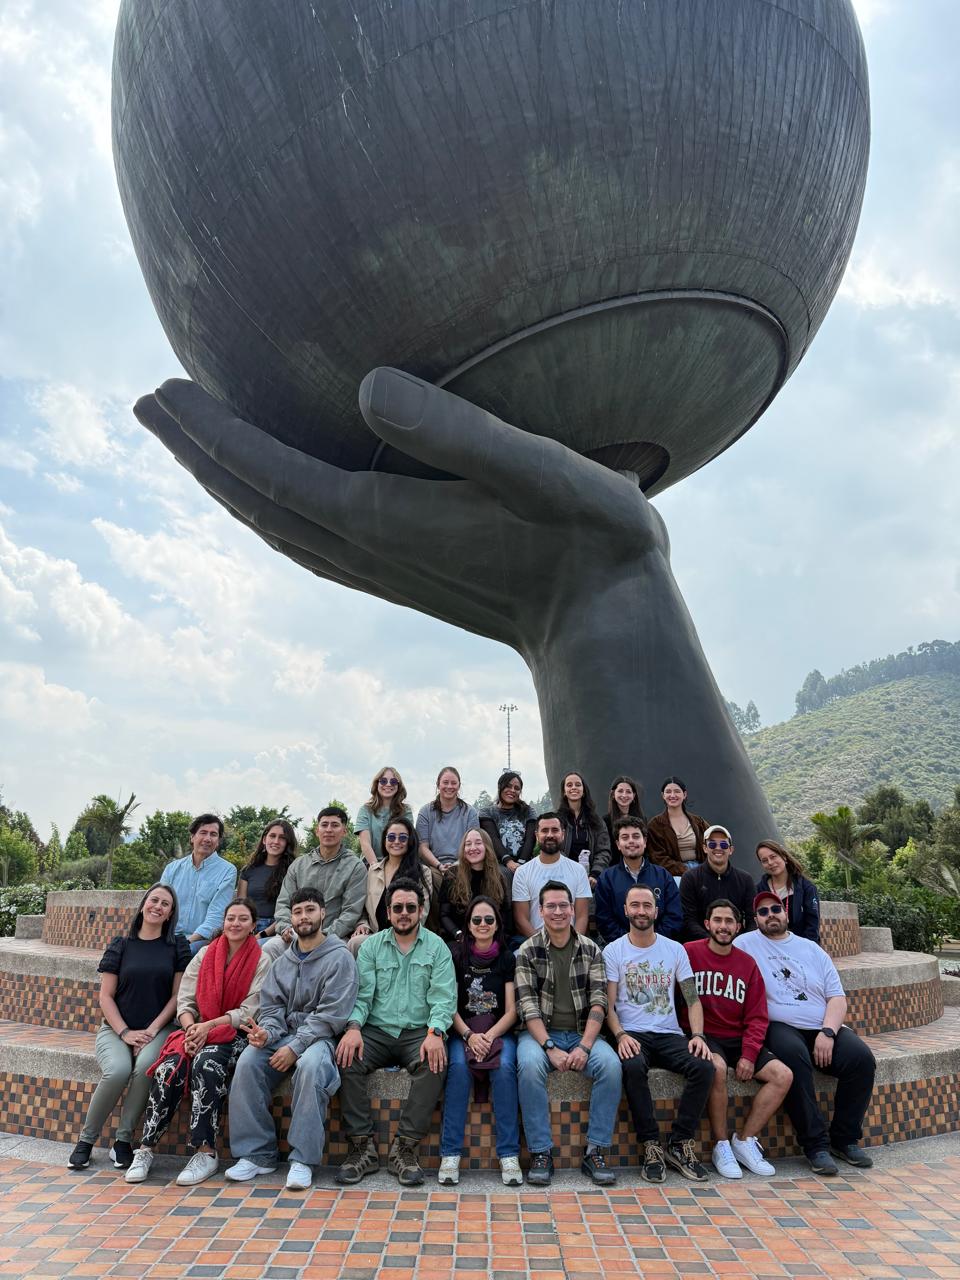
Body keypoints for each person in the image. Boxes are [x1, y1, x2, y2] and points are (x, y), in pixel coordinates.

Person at [125, 897, 271, 1185]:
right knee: (170, 1067)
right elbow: (186, 1000)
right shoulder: (205, 954)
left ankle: (205, 1152)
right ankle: (145, 1148)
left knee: (206, 1063)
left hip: (235, 1035)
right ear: (223, 922)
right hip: (196, 1030)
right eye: (231, 918)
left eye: (243, 919)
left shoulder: (262, 959)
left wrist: (208, 1028)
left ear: (254, 925)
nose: (236, 924)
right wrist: (193, 1029)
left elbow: (249, 1010)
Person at [225, 888, 360, 1190]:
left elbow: (331, 1016)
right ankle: (257, 1155)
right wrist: (267, 1033)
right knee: (248, 1061)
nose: (303, 917)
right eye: (298, 912)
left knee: (311, 1068)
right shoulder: (282, 962)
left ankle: (302, 1159)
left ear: (323, 913)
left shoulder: (339, 958)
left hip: (321, 1039)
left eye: (310, 910)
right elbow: (271, 1007)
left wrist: (295, 1047)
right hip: (282, 1036)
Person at [735, 890, 876, 1176]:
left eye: (775, 909)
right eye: (762, 912)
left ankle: (844, 1139)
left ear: (786, 912)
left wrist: (828, 1031)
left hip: (820, 1025)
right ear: (755, 920)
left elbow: (836, 997)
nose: (770, 915)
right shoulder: (745, 944)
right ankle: (815, 1145)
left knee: (862, 1060)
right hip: (778, 1025)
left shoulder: (812, 949)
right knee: (793, 1057)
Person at [335, 877, 457, 1187]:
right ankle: (362, 1148)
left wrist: (435, 1032)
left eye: (410, 908)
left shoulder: (437, 947)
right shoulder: (372, 947)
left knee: (435, 1063)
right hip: (376, 1030)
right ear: (388, 912)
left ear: (421, 911)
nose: (404, 913)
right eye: (398, 908)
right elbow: (361, 996)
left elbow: (444, 997)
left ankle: (405, 1148)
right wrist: (353, 1028)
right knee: (347, 1057)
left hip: (418, 1031)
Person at [68, 884, 191, 1171]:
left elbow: (177, 996)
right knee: (118, 1070)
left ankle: (123, 1141)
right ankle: (86, 1141)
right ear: (144, 904)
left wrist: (150, 1030)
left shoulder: (177, 946)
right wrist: (125, 1032)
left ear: (171, 912)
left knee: (146, 1067)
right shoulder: (120, 945)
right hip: (116, 1030)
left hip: (158, 1029)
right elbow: (105, 997)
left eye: (165, 904)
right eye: (154, 900)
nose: (158, 906)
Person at [604, 885, 714, 1183]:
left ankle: (679, 1143)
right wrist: (620, 1035)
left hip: (669, 1034)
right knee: (633, 1067)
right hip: (632, 1034)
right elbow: (608, 1004)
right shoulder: (614, 950)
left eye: (647, 905)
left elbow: (692, 998)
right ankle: (651, 1144)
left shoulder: (674, 949)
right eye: (635, 905)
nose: (641, 911)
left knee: (705, 1066)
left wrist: (699, 1036)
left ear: (656, 910)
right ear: (625, 910)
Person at [515, 881, 621, 1186]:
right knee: (530, 1066)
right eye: (551, 906)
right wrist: (549, 1047)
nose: (558, 911)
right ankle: (541, 1153)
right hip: (539, 1034)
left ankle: (595, 1151)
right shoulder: (527, 950)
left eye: (564, 905)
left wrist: (585, 1047)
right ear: (540, 910)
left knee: (612, 1067)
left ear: (573, 910)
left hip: (580, 1034)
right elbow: (527, 1006)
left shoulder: (590, 949)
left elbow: (600, 1002)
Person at [683, 900, 793, 1179]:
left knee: (783, 1075)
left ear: (739, 926)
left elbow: (758, 1016)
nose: (723, 926)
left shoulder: (747, 964)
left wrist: (749, 1053)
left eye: (728, 921)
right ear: (707, 924)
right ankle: (721, 1144)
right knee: (717, 1069)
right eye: (717, 920)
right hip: (705, 1035)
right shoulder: (689, 953)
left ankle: (744, 1140)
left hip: (738, 1038)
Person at [438, 896, 521, 1186]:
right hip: (463, 1030)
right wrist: (469, 1036)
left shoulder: (508, 958)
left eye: (489, 919)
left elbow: (512, 1011)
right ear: (469, 925)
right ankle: (450, 1154)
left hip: (498, 1030)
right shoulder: (455, 955)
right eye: (477, 920)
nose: (483, 925)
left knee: (506, 1067)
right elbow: (448, 1004)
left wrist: (489, 1036)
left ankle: (509, 1155)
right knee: (458, 1069)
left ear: (497, 924)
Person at [262, 806, 367, 960]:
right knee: (270, 948)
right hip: (295, 934)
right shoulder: (299, 865)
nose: (329, 830)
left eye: (335, 825)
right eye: (324, 825)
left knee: (342, 954)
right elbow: (283, 903)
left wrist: (323, 936)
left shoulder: (355, 867)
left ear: (344, 831)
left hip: (332, 936)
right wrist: (286, 927)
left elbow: (351, 912)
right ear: (317, 830)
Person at [349, 816, 433, 954]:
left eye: (403, 838)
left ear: (410, 841)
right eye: (391, 837)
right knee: (354, 943)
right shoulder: (373, 871)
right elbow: (362, 907)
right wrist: (362, 924)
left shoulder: (423, 873)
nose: (396, 842)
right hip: (374, 935)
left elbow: (421, 914)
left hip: (406, 936)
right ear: (385, 840)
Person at [594, 817, 682, 944]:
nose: (631, 841)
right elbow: (605, 920)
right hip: (621, 949)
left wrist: (653, 941)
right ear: (618, 844)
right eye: (625, 837)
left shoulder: (663, 875)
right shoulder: (607, 878)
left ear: (645, 841)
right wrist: (629, 943)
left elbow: (674, 916)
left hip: (660, 945)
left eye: (636, 836)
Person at [161, 813, 237, 954]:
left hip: (201, 940)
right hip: (169, 936)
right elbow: (160, 905)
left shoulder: (228, 871)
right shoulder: (172, 869)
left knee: (184, 953)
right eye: (203, 833)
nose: (207, 839)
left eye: (213, 834)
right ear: (192, 837)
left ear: (218, 841)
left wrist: (186, 942)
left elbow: (216, 916)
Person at [511, 812, 592, 938]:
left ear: (563, 834)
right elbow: (521, 920)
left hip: (572, 944)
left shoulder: (578, 870)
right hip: (536, 945)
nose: (550, 835)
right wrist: (543, 948)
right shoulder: (522, 872)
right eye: (544, 830)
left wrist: (573, 946)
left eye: (555, 830)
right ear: (537, 835)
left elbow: (582, 916)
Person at [680, 826, 755, 941]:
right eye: (712, 844)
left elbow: (752, 918)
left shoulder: (745, 880)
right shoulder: (690, 878)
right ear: (705, 848)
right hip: (701, 943)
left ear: (731, 850)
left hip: (737, 943)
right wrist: (713, 942)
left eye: (724, 845)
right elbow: (688, 919)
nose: (718, 848)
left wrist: (738, 941)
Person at [438, 828, 510, 942]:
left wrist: (493, 938)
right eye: (468, 844)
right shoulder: (452, 875)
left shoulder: (499, 877)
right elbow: (444, 915)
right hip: (458, 939)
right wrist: (458, 934)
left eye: (478, 843)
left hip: (489, 939)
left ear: (487, 847)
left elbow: (504, 915)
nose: (472, 848)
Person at [238, 817, 297, 939]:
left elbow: (292, 911)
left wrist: (262, 934)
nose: (276, 841)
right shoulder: (248, 870)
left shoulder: (293, 871)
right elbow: (241, 906)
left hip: (278, 929)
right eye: (272, 836)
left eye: (282, 838)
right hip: (248, 926)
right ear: (264, 839)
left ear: (287, 843)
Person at [415, 766, 480, 873]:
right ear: (438, 784)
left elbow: (474, 845)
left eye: (454, 783)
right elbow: (422, 847)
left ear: (459, 785)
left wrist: (456, 865)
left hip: (464, 864)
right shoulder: (425, 812)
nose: (449, 786)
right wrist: (439, 866)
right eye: (445, 782)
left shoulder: (470, 813)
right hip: (433, 866)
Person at [755, 840, 821, 943]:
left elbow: (812, 923)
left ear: (784, 857)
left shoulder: (806, 887)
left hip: (801, 947)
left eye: (773, 857)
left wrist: (807, 949)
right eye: (764, 860)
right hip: (771, 948)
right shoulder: (759, 890)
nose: (770, 863)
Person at [646, 778, 708, 878]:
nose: (672, 795)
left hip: (701, 868)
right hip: (673, 874)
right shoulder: (655, 825)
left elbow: (713, 841)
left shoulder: (698, 822)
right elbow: (658, 857)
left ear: (684, 794)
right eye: (668, 792)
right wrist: (685, 870)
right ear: (663, 795)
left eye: (677, 791)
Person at [557, 771, 611, 882]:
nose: (574, 788)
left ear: (584, 791)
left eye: (578, 784)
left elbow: (603, 851)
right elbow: (555, 849)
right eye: (569, 785)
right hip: (563, 876)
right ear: (564, 792)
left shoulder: (597, 821)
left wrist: (595, 874)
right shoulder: (557, 820)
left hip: (590, 878)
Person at [355, 767, 414, 869]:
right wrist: (376, 868)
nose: (388, 784)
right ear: (377, 784)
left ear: (399, 786)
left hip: (399, 863)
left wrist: (393, 868)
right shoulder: (365, 810)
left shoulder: (406, 811)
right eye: (383, 781)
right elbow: (365, 844)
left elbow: (406, 842)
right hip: (370, 863)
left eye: (393, 781)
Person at [479, 771, 537, 871]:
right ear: (500, 787)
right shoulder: (487, 812)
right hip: (498, 864)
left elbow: (530, 839)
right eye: (508, 786)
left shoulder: (528, 811)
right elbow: (493, 838)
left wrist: (520, 864)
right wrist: (509, 862)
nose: (512, 790)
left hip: (524, 863)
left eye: (517, 788)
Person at [604, 775, 645, 850]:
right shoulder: (605, 821)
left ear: (634, 795)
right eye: (620, 791)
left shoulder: (642, 819)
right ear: (613, 794)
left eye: (628, 792)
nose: (624, 795)